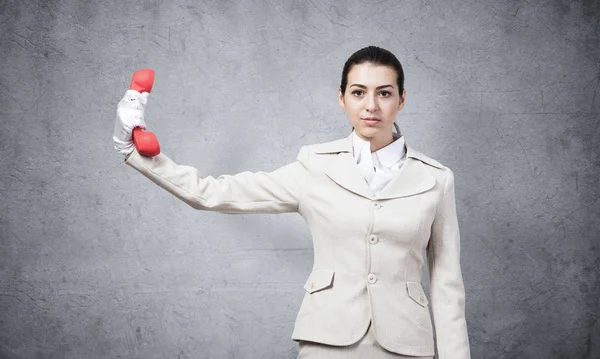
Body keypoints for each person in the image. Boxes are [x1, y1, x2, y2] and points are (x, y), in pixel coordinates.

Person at [113, 45, 470, 359]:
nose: (371, 105)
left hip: (408, 346)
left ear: (402, 99)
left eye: (385, 93)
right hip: (327, 341)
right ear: (341, 97)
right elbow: (213, 192)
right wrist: (134, 151)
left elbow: (446, 283)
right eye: (359, 92)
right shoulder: (315, 165)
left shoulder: (436, 178)